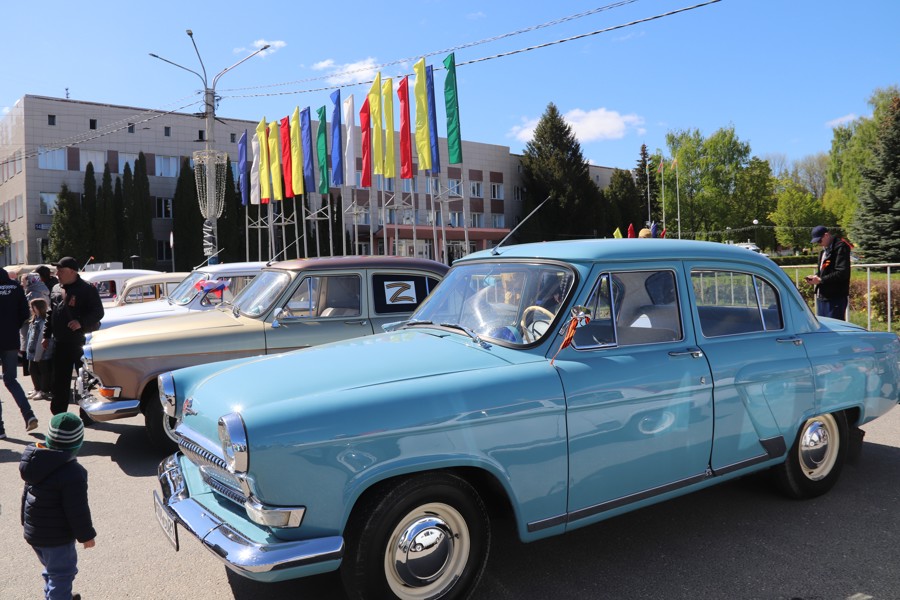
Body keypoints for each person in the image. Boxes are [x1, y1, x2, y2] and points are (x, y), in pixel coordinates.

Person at [20, 411, 96, 600]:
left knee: (52, 570)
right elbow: (77, 509)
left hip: (35, 533)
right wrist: (86, 536)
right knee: (62, 573)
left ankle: (56, 596)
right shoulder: (73, 472)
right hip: (56, 537)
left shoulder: (35, 460)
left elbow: (26, 493)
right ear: (77, 444)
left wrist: (25, 523)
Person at [42, 257, 104, 417]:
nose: (57, 274)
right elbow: (50, 313)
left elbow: (98, 312)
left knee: (85, 381)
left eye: (60, 271)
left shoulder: (87, 289)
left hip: (80, 343)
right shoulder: (56, 288)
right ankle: (59, 415)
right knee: (59, 382)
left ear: (72, 272)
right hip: (60, 343)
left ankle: (88, 415)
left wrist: (80, 322)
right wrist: (46, 335)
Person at [0, 267, 38, 439]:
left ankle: (0, 428)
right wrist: (12, 326)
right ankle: (28, 414)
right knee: (11, 380)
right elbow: (25, 313)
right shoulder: (15, 288)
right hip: (10, 340)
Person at [805, 225, 852, 320]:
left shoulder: (840, 247)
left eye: (819, 241)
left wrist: (821, 279)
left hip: (835, 297)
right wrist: (816, 277)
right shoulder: (824, 251)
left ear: (826, 235)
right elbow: (825, 271)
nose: (819, 244)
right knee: (824, 328)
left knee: (834, 328)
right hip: (823, 296)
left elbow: (842, 272)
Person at [27, 298, 54, 401]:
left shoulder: (43, 321)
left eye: (32, 307)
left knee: (44, 371)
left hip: (42, 352)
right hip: (33, 351)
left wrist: (38, 354)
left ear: (37, 308)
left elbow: (40, 340)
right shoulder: (34, 319)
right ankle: (37, 389)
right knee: (32, 369)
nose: (30, 309)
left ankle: (44, 391)